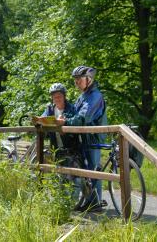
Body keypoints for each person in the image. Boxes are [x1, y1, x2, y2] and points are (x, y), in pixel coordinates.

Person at [56, 66, 108, 212]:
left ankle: (96, 204)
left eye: (79, 80)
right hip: (84, 137)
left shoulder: (95, 96)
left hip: (93, 138)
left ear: (89, 79)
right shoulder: (83, 96)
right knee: (86, 169)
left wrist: (65, 121)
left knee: (93, 169)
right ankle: (90, 201)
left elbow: (83, 118)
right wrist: (65, 118)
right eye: (75, 80)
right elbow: (74, 115)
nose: (76, 83)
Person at [35, 83, 77, 151]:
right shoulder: (49, 109)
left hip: (71, 147)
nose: (57, 99)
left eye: (59, 96)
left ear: (64, 96)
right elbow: (42, 118)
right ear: (52, 98)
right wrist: (38, 120)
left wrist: (64, 123)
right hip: (54, 146)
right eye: (55, 97)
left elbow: (76, 123)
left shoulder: (72, 109)